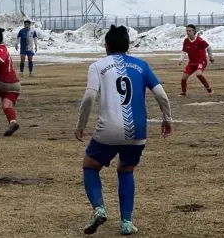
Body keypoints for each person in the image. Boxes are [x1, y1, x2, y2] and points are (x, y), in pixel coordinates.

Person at [74, 25, 173, 236]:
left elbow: (90, 97)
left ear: (106, 46)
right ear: (127, 46)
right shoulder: (142, 65)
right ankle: (126, 223)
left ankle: (99, 208)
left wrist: (81, 126)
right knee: (126, 170)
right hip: (138, 129)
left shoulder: (97, 66)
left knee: (90, 166)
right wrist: (167, 119)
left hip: (108, 128)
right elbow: (161, 95)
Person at [178, 24, 215, 97]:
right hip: (192, 63)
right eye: (187, 31)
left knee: (198, 74)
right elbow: (183, 51)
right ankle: (183, 93)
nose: (188, 32)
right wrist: (181, 59)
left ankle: (209, 90)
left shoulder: (200, 40)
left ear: (194, 31)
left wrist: (211, 57)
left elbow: (208, 47)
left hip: (201, 61)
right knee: (183, 78)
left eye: (189, 31)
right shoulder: (186, 41)